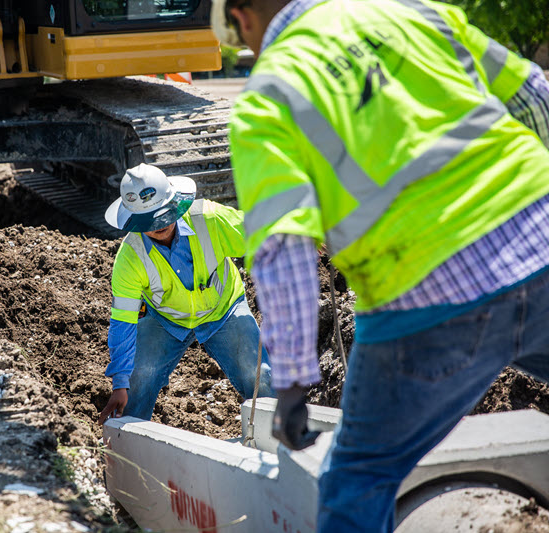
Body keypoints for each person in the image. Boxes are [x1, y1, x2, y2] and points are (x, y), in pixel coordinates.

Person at [212, 0, 549, 530]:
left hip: (424, 300)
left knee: (358, 479)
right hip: (540, 241)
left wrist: (294, 385)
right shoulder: (411, 10)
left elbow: (283, 249)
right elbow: (533, 94)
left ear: (242, 16)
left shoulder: (269, 93)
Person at [97, 163, 273, 424]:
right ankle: (125, 446)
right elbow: (123, 322)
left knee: (261, 375)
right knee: (137, 380)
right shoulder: (129, 259)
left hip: (223, 310)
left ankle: (279, 438)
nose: (160, 225)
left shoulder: (209, 220)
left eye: (164, 215)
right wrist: (120, 382)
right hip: (166, 320)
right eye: (150, 221)